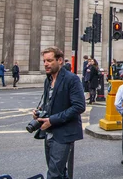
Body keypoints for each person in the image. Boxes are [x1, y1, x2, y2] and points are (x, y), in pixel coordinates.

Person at [33, 47, 85, 179]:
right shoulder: (48, 80)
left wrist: (52, 120)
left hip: (64, 133)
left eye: (50, 60)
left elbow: (79, 106)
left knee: (53, 174)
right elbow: (49, 104)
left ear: (60, 60)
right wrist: (39, 112)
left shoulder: (71, 79)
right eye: (44, 61)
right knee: (60, 173)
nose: (46, 64)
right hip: (49, 132)